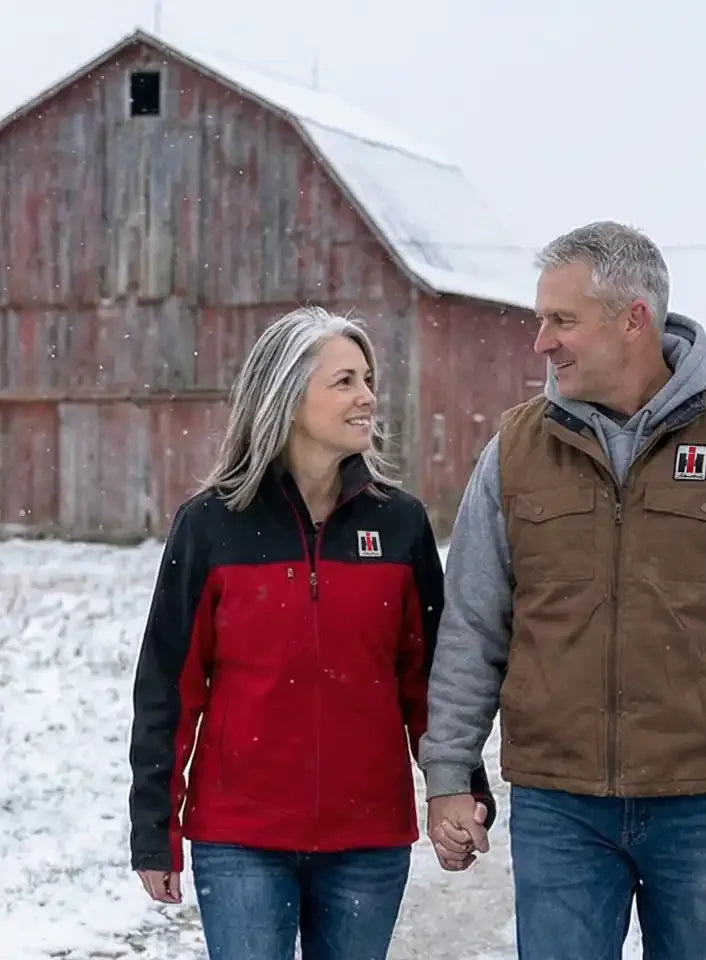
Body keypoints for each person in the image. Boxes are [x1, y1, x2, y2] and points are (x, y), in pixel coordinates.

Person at [418, 221, 706, 959]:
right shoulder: (515, 453)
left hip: (703, 800)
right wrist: (448, 773)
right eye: (539, 321)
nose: (542, 342)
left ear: (633, 320)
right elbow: (471, 628)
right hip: (561, 808)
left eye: (562, 321)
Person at [128, 306, 494, 960]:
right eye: (346, 381)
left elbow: (433, 682)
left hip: (367, 839)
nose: (367, 397)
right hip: (240, 838)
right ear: (289, 398)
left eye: (368, 379)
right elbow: (167, 688)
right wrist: (155, 827)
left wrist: (459, 787)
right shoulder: (211, 526)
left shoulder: (401, 524)